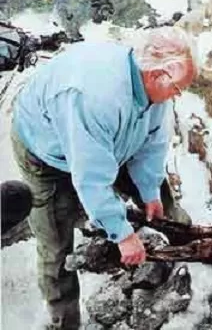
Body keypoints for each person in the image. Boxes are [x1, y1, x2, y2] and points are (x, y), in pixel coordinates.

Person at [10, 26, 198, 329]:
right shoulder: (96, 97)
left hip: (108, 139)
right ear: (156, 75)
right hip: (45, 153)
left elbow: (153, 141)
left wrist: (149, 191)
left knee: (160, 196)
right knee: (56, 247)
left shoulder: (152, 89)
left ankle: (191, 247)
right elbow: (91, 177)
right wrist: (122, 235)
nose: (178, 96)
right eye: (178, 89)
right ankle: (65, 321)